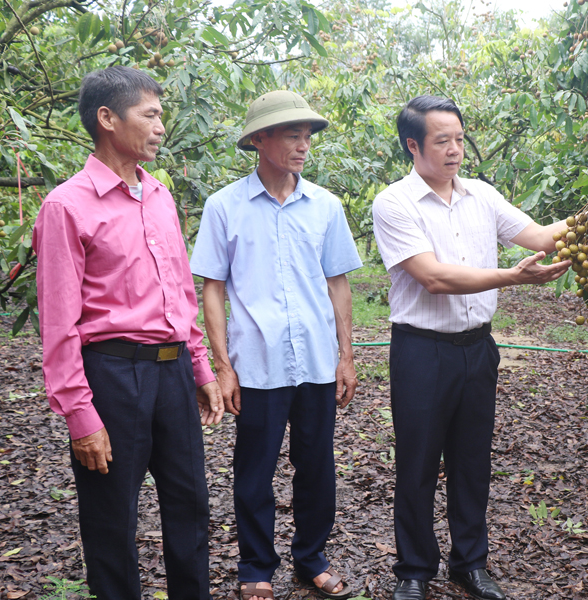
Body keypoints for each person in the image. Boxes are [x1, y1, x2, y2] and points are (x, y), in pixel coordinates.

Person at [32, 66, 224, 600]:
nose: (161, 127)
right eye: (151, 115)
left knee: (190, 504)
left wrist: (199, 366)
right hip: (113, 376)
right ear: (108, 118)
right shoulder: (66, 206)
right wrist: (80, 414)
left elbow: (180, 292)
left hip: (172, 373)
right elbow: (59, 324)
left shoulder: (159, 195)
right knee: (111, 516)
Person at [372, 95, 571, 600]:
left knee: (472, 461)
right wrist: (510, 277)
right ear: (413, 145)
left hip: (478, 349)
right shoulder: (394, 203)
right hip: (421, 351)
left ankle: (470, 563)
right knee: (417, 463)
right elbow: (433, 277)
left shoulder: (482, 195)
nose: (455, 149)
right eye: (442, 141)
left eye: (459, 139)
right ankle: (414, 570)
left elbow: (539, 236)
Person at [190, 91, 362, 600]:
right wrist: (224, 366)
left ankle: (312, 559)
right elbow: (213, 289)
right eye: (292, 135)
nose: (303, 145)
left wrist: (347, 357)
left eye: (307, 136)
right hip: (257, 364)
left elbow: (338, 284)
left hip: (316, 363)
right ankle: (255, 567)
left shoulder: (325, 206)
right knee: (254, 472)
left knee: (317, 469)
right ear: (259, 140)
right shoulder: (225, 206)